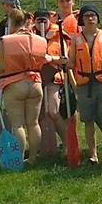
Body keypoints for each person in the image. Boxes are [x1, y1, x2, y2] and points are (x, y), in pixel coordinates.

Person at [0, 9, 48, 163]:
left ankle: (20, 157)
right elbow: (44, 60)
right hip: (35, 83)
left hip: (15, 84)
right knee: (33, 122)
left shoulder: (7, 40)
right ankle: (34, 157)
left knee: (17, 124)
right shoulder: (40, 40)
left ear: (12, 22)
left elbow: (1, 65)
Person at [70, 4, 102, 164]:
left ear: (97, 18)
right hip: (84, 84)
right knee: (88, 120)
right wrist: (62, 63)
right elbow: (71, 63)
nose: (90, 18)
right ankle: (93, 154)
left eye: (93, 15)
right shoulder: (75, 39)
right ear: (82, 19)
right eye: (87, 16)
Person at [34, 9, 69, 158]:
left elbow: (65, 59)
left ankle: (69, 144)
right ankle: (44, 147)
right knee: (39, 115)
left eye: (44, 20)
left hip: (53, 77)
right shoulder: (31, 37)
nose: (42, 23)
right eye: (38, 20)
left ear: (49, 20)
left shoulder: (58, 35)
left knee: (53, 111)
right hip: (36, 78)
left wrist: (51, 59)